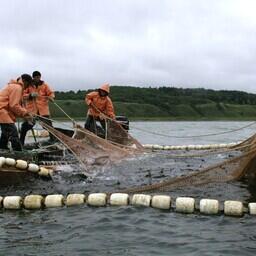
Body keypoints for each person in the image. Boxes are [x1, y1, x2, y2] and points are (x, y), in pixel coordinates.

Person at [20, 71, 55, 145]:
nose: (37, 78)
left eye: (38, 77)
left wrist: (51, 97)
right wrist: (30, 95)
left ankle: (53, 140)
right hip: (32, 111)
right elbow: (22, 95)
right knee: (26, 126)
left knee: (48, 126)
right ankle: (21, 143)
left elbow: (51, 93)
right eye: (36, 77)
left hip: (43, 110)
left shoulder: (45, 85)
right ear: (33, 77)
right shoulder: (28, 85)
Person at [0, 74, 33, 151]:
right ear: (24, 81)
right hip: (2, 110)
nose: (28, 87)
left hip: (3, 111)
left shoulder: (14, 86)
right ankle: (18, 152)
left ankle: (2, 149)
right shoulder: (17, 88)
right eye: (28, 84)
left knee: (6, 133)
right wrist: (26, 113)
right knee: (13, 132)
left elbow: (12, 106)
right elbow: (14, 105)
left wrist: (25, 115)